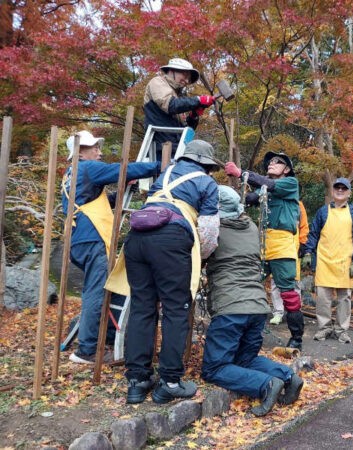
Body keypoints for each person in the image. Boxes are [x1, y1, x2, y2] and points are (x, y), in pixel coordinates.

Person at [122, 140, 220, 404]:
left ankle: (137, 380)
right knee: (176, 308)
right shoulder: (207, 183)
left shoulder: (165, 174)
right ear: (207, 165)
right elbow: (209, 234)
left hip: (137, 238)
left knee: (143, 307)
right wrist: (202, 256)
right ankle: (170, 381)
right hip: (170, 239)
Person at [201, 185, 304, 417]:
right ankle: (288, 377)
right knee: (244, 359)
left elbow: (200, 253)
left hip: (231, 306)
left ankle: (266, 386)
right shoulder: (251, 227)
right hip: (258, 306)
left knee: (213, 368)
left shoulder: (213, 231)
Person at [61, 130, 161, 365]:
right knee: (95, 293)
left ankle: (105, 337)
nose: (98, 150)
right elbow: (120, 170)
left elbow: (99, 202)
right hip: (92, 238)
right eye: (93, 146)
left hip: (80, 239)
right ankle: (86, 350)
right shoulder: (85, 167)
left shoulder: (72, 173)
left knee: (101, 291)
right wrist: (160, 166)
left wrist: (125, 189)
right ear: (80, 151)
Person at [224, 152, 304, 350]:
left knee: (287, 292)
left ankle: (297, 338)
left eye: (278, 162)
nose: (272, 163)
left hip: (283, 244)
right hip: (261, 243)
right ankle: (243, 331)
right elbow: (249, 199)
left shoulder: (290, 183)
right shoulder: (265, 189)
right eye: (271, 161)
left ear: (286, 170)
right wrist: (236, 195)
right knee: (249, 284)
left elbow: (268, 185)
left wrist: (242, 173)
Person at [303, 177, 353, 344]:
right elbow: (314, 234)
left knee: (344, 298)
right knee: (323, 298)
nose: (339, 190)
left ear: (349, 193)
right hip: (325, 260)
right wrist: (308, 251)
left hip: (345, 261)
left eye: (343, 188)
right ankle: (324, 328)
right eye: (337, 188)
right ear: (332, 191)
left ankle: (341, 330)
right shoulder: (322, 212)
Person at [143, 58, 215, 160]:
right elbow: (170, 105)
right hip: (159, 147)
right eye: (185, 76)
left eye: (188, 79)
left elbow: (185, 129)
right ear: (172, 70)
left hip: (176, 149)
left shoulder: (178, 96)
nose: (186, 81)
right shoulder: (157, 82)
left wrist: (193, 116)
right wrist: (198, 100)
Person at [270, 198, 309, 325]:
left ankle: (294, 312)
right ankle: (278, 312)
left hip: (292, 247)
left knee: (294, 281)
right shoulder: (271, 202)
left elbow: (304, 225)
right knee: (275, 281)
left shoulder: (299, 205)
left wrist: (303, 243)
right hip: (274, 247)